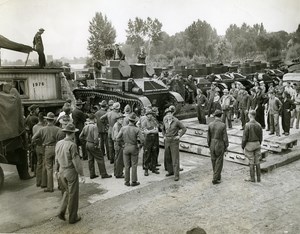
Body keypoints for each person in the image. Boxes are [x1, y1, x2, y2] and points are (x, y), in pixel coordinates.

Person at [55, 123, 85, 224]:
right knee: (73, 194)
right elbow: (76, 161)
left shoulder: (59, 143)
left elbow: (56, 158)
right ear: (72, 134)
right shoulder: (72, 145)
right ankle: (73, 217)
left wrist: (56, 170)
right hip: (70, 171)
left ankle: (61, 211)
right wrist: (81, 174)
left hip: (61, 171)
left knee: (67, 192)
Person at [32, 112, 61, 192]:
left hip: (47, 148)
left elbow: (33, 138)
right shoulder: (58, 129)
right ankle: (60, 185)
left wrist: (40, 142)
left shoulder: (42, 129)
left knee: (49, 168)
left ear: (47, 120)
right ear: (53, 120)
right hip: (56, 148)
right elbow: (61, 137)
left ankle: (50, 187)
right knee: (58, 167)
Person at [79, 114, 112, 179]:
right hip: (93, 144)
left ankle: (92, 174)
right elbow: (96, 138)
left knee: (90, 159)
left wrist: (86, 140)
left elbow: (80, 136)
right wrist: (96, 145)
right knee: (100, 158)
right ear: (94, 119)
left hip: (87, 143)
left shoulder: (85, 126)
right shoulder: (94, 127)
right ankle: (103, 174)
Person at [116, 113, 144, 186]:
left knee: (126, 165)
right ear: (134, 121)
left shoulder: (123, 128)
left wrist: (122, 145)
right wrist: (140, 146)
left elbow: (117, 138)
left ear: (128, 120)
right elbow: (143, 140)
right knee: (134, 165)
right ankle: (134, 181)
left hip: (125, 147)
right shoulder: (136, 129)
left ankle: (127, 181)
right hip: (134, 147)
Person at [162, 108, 187, 181]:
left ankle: (176, 175)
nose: (169, 115)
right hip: (167, 140)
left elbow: (184, 129)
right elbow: (163, 129)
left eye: (170, 113)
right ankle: (170, 171)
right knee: (168, 157)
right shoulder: (165, 121)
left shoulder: (176, 121)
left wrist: (179, 136)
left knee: (175, 158)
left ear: (172, 114)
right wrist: (164, 136)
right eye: (167, 114)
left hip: (174, 141)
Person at [207, 110, 228, 185]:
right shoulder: (223, 125)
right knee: (219, 161)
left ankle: (217, 175)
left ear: (215, 116)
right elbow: (225, 138)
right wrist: (226, 146)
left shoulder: (210, 124)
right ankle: (215, 178)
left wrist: (209, 145)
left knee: (213, 160)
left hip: (212, 143)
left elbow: (208, 137)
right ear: (221, 116)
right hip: (219, 143)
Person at [242, 110, 263, 183]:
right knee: (257, 161)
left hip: (249, 145)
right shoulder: (259, 125)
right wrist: (259, 143)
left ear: (250, 115)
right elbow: (261, 137)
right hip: (257, 144)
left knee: (251, 161)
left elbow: (244, 137)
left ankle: (252, 178)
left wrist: (243, 146)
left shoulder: (247, 125)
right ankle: (259, 178)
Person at [140, 109, 160, 176]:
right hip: (147, 140)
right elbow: (145, 131)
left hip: (154, 139)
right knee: (147, 154)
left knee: (154, 153)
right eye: (148, 114)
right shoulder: (144, 122)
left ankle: (153, 168)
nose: (149, 116)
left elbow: (157, 130)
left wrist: (150, 131)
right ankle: (146, 169)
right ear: (146, 115)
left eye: (150, 114)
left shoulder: (154, 121)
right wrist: (152, 130)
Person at [32, 112, 46, 188]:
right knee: (44, 164)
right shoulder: (44, 127)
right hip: (43, 146)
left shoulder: (34, 127)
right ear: (43, 119)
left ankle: (38, 181)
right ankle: (43, 183)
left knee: (39, 163)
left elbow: (33, 137)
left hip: (37, 146)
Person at [112, 114, 125, 178]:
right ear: (117, 120)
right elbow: (116, 137)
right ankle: (119, 174)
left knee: (117, 158)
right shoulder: (117, 126)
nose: (122, 120)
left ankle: (116, 172)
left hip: (118, 144)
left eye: (122, 119)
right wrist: (121, 144)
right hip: (118, 144)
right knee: (119, 159)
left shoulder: (118, 125)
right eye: (120, 119)